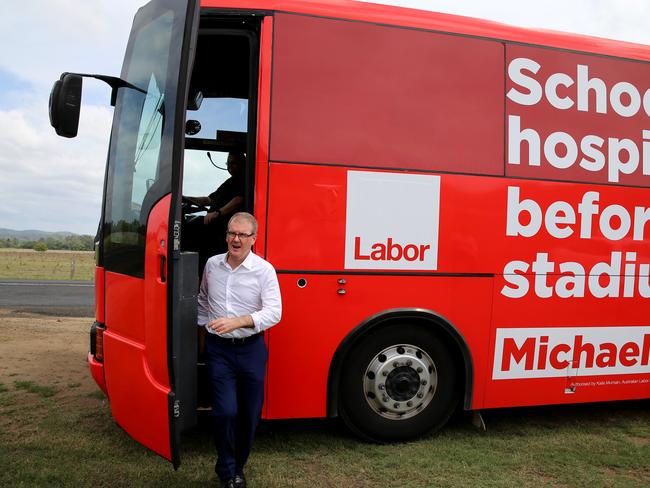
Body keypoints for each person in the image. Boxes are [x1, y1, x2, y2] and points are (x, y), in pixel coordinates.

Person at [197, 212, 282, 488]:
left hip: (251, 350)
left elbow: (274, 313)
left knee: (249, 414)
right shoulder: (212, 265)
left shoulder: (264, 270)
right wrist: (202, 336)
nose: (236, 239)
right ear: (226, 236)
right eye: (232, 233)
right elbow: (202, 300)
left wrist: (239, 321)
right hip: (218, 350)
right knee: (224, 411)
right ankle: (227, 469)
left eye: (243, 235)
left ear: (253, 239)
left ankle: (238, 467)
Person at [184, 152, 246, 273]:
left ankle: (194, 272)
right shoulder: (229, 182)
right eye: (228, 163)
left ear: (242, 163)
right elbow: (210, 199)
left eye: (233, 163)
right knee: (191, 223)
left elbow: (239, 200)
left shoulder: (244, 180)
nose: (229, 166)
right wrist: (186, 198)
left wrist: (217, 213)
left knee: (191, 231)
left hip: (223, 229)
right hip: (214, 224)